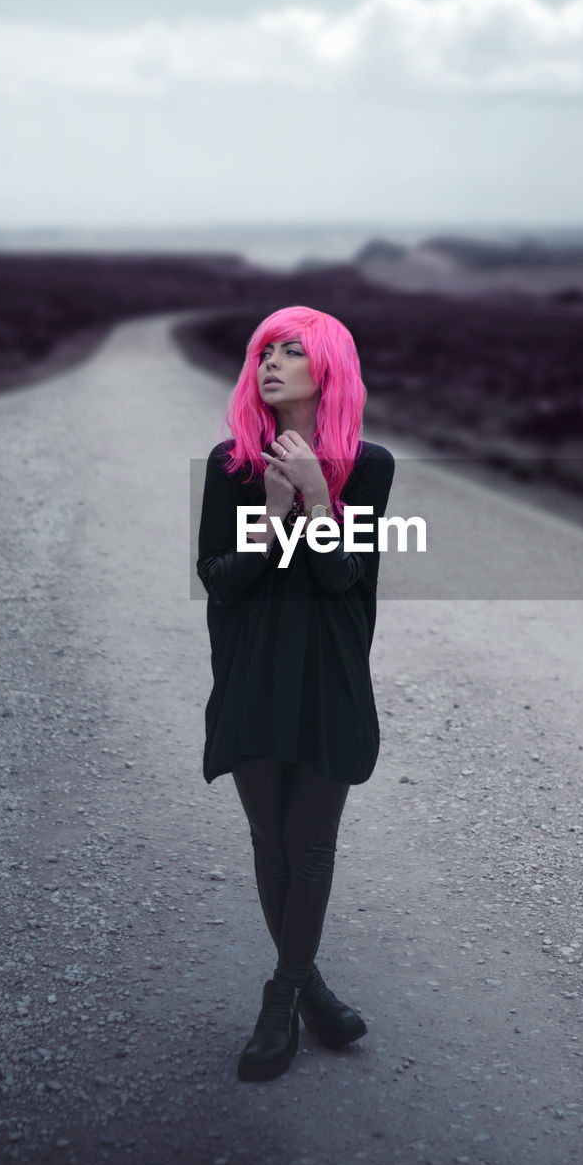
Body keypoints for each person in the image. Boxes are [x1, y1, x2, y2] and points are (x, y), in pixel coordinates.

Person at [196, 304, 395, 1082]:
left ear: (327, 369)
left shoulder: (369, 467)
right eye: (262, 353)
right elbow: (220, 583)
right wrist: (272, 515)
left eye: (290, 352)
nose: (269, 364)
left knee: (309, 845)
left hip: (330, 676)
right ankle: (308, 987)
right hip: (250, 672)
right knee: (271, 842)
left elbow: (346, 579)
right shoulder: (229, 466)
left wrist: (318, 496)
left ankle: (280, 996)